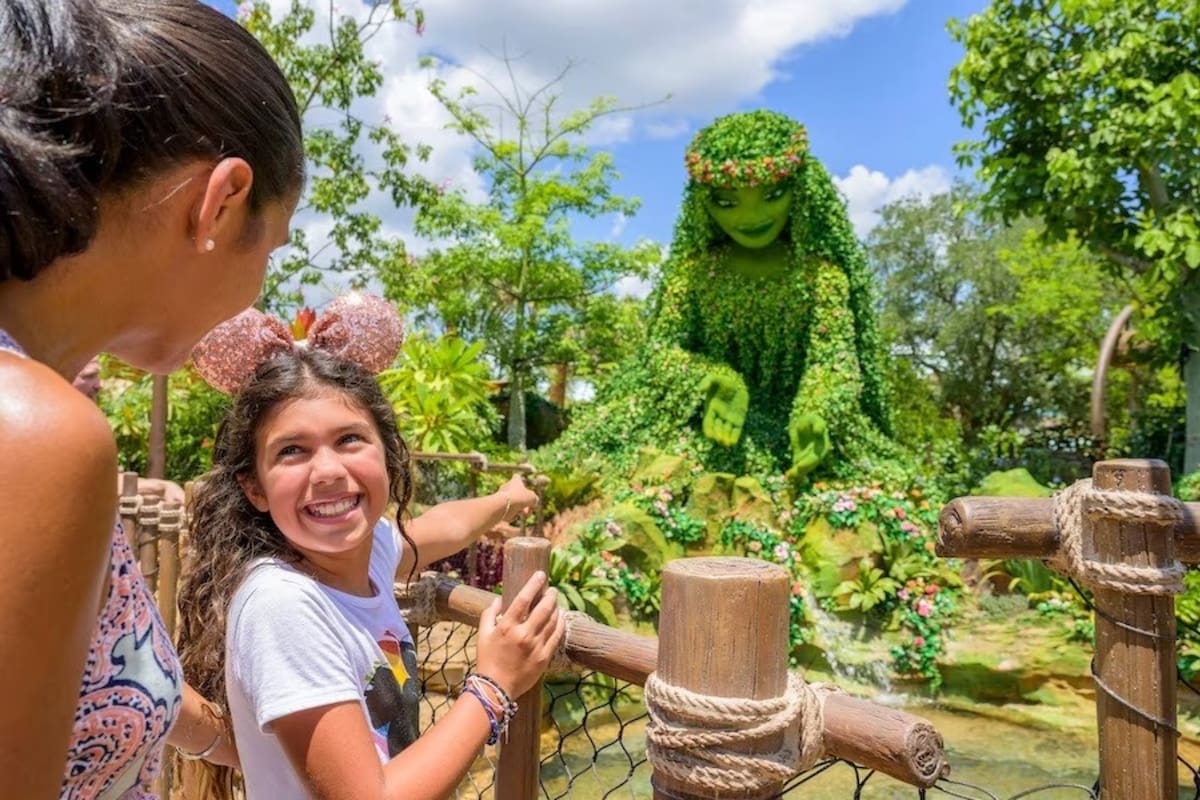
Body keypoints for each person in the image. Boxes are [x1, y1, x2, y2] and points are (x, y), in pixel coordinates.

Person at [0, 0, 304, 796]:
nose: (260, 286)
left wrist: (231, 742)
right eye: (271, 246)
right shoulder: (35, 434)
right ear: (221, 202)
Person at [176, 298, 564, 800]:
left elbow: (438, 528)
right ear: (255, 488)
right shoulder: (284, 605)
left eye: (350, 439)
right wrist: (494, 682)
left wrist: (502, 500)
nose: (329, 471)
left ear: (387, 455)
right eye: (292, 450)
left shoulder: (366, 556)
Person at [540, 109, 898, 483]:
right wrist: (713, 381)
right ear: (702, 202)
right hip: (699, 428)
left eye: (772, 195)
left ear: (802, 191)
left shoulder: (823, 277)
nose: (751, 215)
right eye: (727, 202)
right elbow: (661, 350)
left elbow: (833, 360)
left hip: (797, 444)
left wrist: (818, 409)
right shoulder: (692, 274)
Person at [73, 355, 188, 505]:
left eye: (97, 376)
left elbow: (109, 480)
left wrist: (164, 487)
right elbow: (88, 483)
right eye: (89, 376)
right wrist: (160, 487)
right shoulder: (50, 426)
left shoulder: (85, 422)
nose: (98, 385)